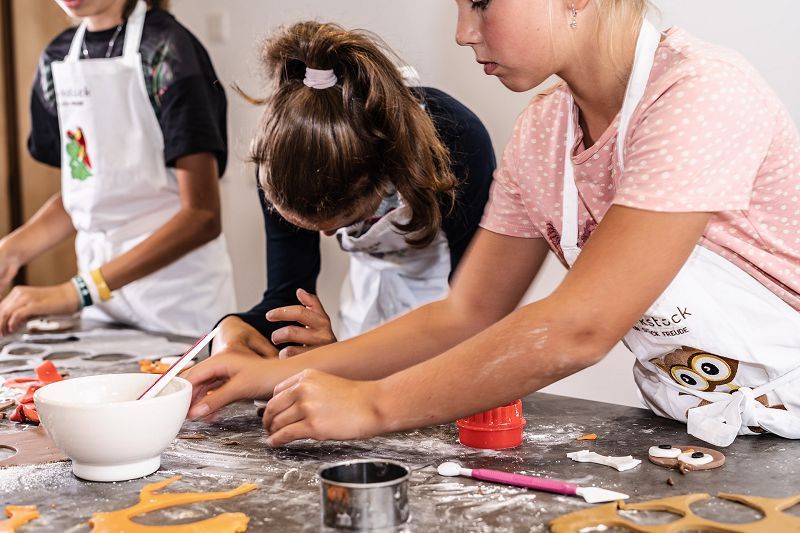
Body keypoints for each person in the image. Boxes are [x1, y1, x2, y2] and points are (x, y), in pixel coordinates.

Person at [186, 0, 800, 449]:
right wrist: (269, 374)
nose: (461, 32)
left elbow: (579, 327)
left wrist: (373, 404)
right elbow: (465, 313)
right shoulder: (544, 131)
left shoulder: (699, 93)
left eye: (480, 3)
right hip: (699, 428)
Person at [211, 21, 494, 360]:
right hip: (362, 313)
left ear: (383, 173)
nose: (330, 234)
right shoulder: (284, 161)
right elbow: (286, 296)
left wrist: (342, 362)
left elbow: (477, 319)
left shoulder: (457, 144)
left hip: (445, 317)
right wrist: (236, 327)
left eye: (346, 218)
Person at [0, 0, 236, 336]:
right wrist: (11, 251)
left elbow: (202, 216)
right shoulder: (58, 58)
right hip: (101, 308)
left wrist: (79, 291)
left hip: (176, 302)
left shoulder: (167, 51)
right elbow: (88, 193)